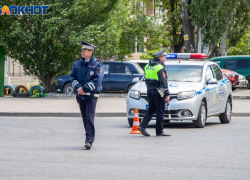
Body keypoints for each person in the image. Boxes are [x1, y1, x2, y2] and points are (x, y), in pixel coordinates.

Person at [70, 41, 104, 149]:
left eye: (85, 50)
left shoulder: (97, 64)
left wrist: (84, 88)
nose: (83, 52)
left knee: (89, 118)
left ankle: (89, 141)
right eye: (82, 50)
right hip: (80, 96)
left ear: (91, 52)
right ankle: (88, 137)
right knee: (85, 118)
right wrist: (78, 89)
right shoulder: (77, 63)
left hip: (91, 96)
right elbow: (72, 77)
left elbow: (97, 80)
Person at [138, 47, 171, 137]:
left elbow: (146, 79)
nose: (165, 59)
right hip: (159, 90)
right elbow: (163, 82)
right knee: (160, 110)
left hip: (150, 90)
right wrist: (166, 94)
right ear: (160, 57)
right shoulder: (160, 67)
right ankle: (159, 131)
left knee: (151, 109)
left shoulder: (148, 66)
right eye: (164, 57)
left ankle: (142, 126)